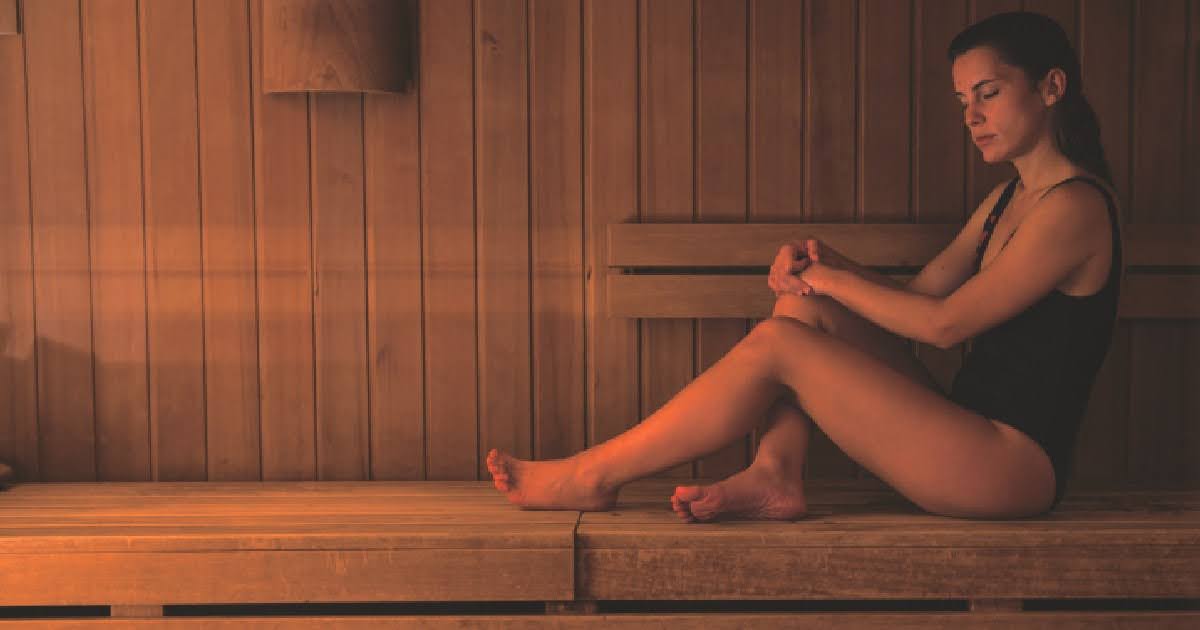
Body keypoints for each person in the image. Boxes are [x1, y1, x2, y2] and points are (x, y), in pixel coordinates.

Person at [486, 11, 1122, 521]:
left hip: (1010, 467)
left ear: (1052, 87)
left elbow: (944, 325)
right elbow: (922, 294)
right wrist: (825, 266)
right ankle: (777, 473)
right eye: (962, 102)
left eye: (988, 94)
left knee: (777, 343)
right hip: (966, 431)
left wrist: (828, 277)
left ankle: (591, 474)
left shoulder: (1076, 209)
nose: (972, 117)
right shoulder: (1008, 197)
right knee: (803, 309)